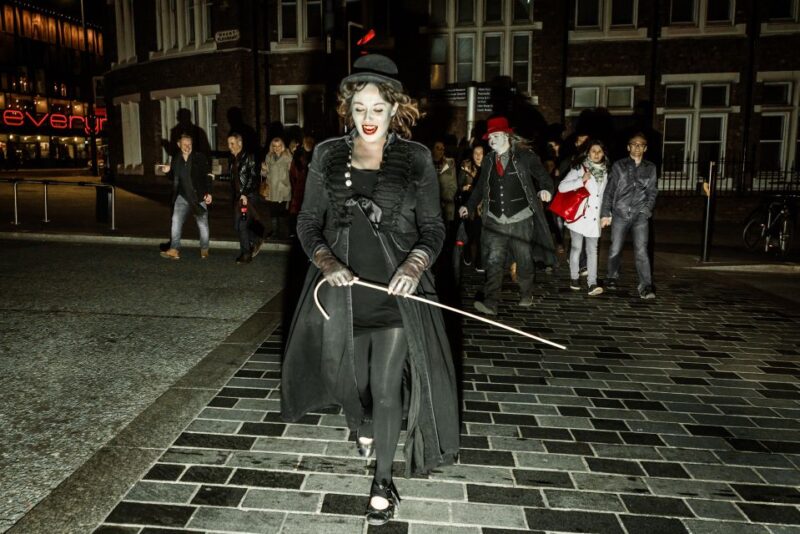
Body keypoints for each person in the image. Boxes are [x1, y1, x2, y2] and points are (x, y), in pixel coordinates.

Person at [280, 54, 459, 526]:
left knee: (385, 387)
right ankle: (360, 422)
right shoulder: (327, 155)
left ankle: (382, 482)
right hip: (344, 292)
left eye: (378, 108)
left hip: (396, 294)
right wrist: (326, 261)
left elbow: (433, 227)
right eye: (359, 108)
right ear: (347, 108)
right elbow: (307, 220)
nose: (368, 118)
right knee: (352, 381)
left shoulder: (415, 158)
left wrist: (415, 265)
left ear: (395, 108)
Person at [459, 116, 555, 315]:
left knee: (524, 259)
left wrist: (546, 189)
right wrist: (469, 205)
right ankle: (490, 302)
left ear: (506, 136)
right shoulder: (488, 160)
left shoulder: (525, 156)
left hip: (521, 219)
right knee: (493, 260)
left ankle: (526, 292)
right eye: (490, 137)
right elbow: (480, 187)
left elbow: (543, 177)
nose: (491, 140)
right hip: (495, 220)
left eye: (495, 136)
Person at [601, 132, 658, 299]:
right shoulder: (619, 166)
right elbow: (610, 190)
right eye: (634, 144)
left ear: (645, 148)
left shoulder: (650, 167)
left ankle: (646, 286)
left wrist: (646, 210)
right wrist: (605, 213)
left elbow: (652, 191)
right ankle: (612, 276)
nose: (637, 147)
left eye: (641, 144)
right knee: (615, 248)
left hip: (640, 215)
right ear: (628, 147)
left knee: (641, 250)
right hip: (620, 213)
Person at [558, 139, 609, 296]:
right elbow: (562, 187)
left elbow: (607, 196)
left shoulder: (606, 171)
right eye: (593, 151)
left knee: (593, 250)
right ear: (588, 153)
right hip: (579, 215)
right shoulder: (580, 168)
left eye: (599, 151)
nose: (596, 154)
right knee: (576, 248)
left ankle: (592, 283)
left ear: (603, 154)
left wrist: (607, 214)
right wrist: (581, 180)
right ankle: (574, 278)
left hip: (594, 217)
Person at [159, 134, 213, 260]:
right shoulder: (176, 158)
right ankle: (174, 249)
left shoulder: (199, 157)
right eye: (184, 144)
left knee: (202, 224)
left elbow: (208, 175)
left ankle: (204, 248)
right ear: (179, 145)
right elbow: (174, 177)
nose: (187, 147)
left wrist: (209, 193)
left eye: (189, 144)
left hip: (198, 196)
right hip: (182, 196)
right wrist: (168, 171)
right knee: (176, 221)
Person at [226, 132, 265, 264]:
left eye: (232, 143)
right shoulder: (231, 158)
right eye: (228, 144)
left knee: (242, 225)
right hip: (238, 198)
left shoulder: (249, 157)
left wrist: (245, 194)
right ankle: (256, 238)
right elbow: (232, 177)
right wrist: (216, 176)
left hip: (249, 197)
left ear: (240, 143)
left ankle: (246, 254)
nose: (229, 146)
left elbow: (253, 177)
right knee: (237, 226)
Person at [457, 144, 485, 269]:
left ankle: (479, 262)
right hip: (469, 205)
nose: (478, 156)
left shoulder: (488, 166)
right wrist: (464, 188)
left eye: (481, 153)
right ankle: (467, 252)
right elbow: (458, 185)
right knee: (470, 234)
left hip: (483, 207)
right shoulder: (466, 166)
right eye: (475, 153)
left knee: (481, 235)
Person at [260, 137, 292, 238]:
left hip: (283, 188)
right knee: (273, 212)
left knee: (282, 212)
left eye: (279, 146)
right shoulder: (269, 156)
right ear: (272, 147)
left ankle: (284, 233)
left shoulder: (287, 157)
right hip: (272, 189)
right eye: (274, 146)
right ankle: (274, 232)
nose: (277, 148)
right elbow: (264, 174)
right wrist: (263, 169)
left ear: (282, 146)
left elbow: (292, 172)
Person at [288, 134, 315, 238]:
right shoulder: (298, 155)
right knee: (296, 209)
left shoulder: (314, 155)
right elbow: (293, 173)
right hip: (299, 187)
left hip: (309, 187)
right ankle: (294, 231)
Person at [432, 140, 457, 223]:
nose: (440, 151)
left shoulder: (450, 163)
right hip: (430, 206)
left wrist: (446, 199)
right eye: (438, 148)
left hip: (446, 206)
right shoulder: (427, 163)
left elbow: (453, 185)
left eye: (442, 149)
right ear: (432, 149)